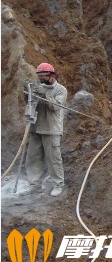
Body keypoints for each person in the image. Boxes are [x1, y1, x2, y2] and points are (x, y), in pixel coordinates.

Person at [24, 62, 68, 196]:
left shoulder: (61, 90)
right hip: (35, 127)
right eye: (40, 77)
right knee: (33, 158)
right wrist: (28, 93)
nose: (41, 79)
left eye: (44, 76)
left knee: (53, 159)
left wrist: (45, 94)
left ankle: (58, 184)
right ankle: (34, 185)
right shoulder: (36, 87)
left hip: (51, 129)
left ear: (52, 76)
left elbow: (55, 107)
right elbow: (29, 105)